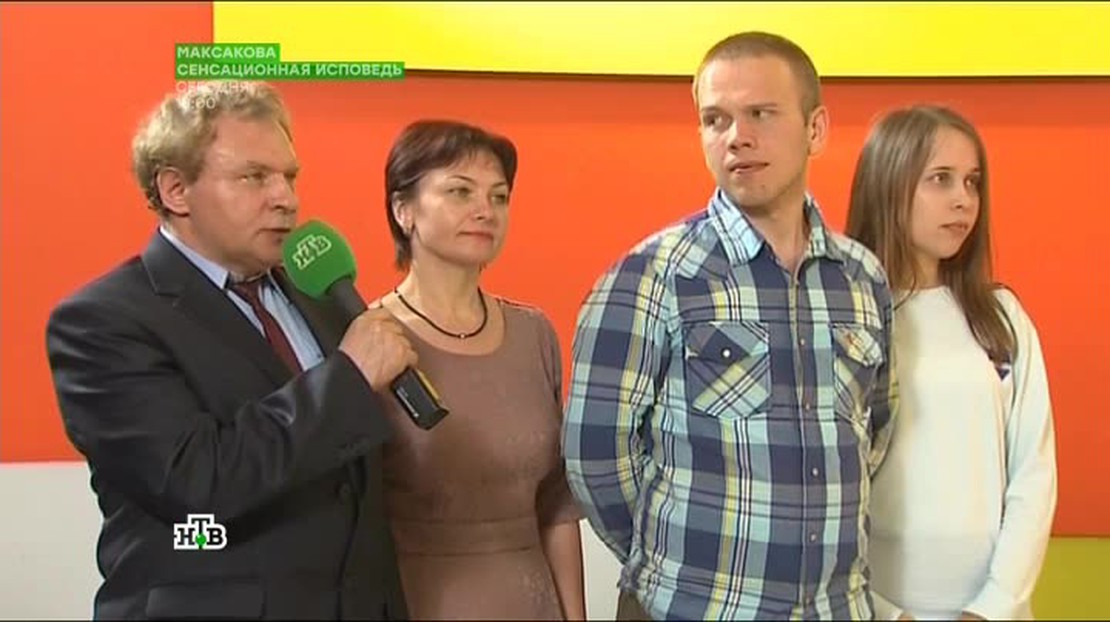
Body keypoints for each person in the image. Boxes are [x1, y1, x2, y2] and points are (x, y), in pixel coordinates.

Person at [45, 81, 415, 620]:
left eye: (289, 176)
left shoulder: (319, 295)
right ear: (176, 190)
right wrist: (349, 378)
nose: (286, 198)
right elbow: (197, 484)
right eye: (254, 177)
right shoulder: (103, 322)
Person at [562, 31, 899, 620]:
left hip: (835, 608)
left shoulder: (862, 277)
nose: (736, 137)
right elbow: (595, 455)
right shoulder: (652, 275)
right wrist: (672, 558)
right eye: (715, 120)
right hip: (692, 608)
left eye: (761, 113)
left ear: (815, 129)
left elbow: (874, 428)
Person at [845, 104, 1058, 621]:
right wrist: (886, 613)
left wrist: (992, 607)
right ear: (889, 185)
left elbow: (1034, 473)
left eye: (972, 182)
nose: (963, 199)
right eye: (940, 179)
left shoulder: (1001, 317)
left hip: (993, 608)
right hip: (875, 607)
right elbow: (824, 485)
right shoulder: (849, 321)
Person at [370, 119, 586, 620]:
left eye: (499, 197)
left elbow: (557, 504)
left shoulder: (534, 334)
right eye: (460, 191)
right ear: (404, 210)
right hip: (418, 599)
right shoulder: (371, 339)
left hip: (532, 602)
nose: (485, 210)